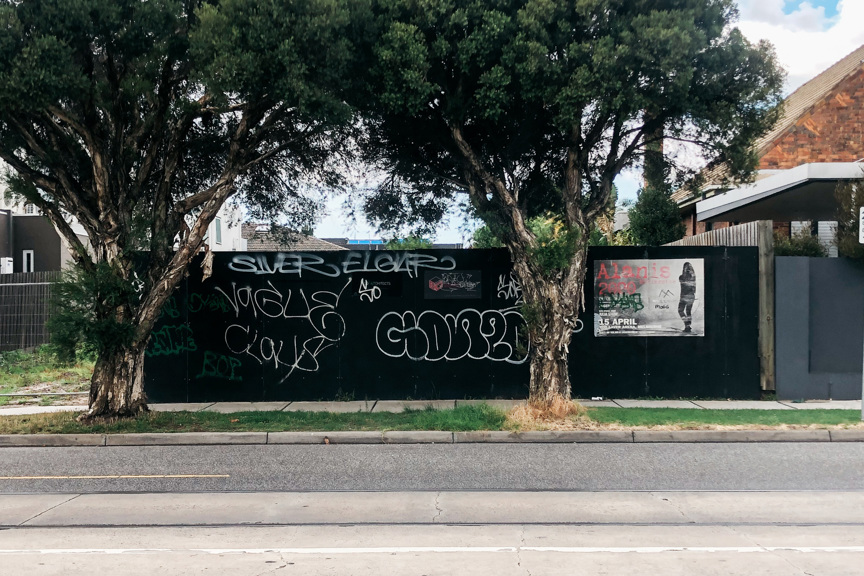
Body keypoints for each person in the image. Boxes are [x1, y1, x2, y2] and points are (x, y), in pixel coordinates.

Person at [678, 262, 696, 333]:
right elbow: (694, 288)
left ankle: (687, 325)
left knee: (680, 310)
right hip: (691, 296)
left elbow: (681, 280)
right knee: (688, 311)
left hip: (684, 296)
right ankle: (688, 326)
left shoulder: (681, 277)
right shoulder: (693, 277)